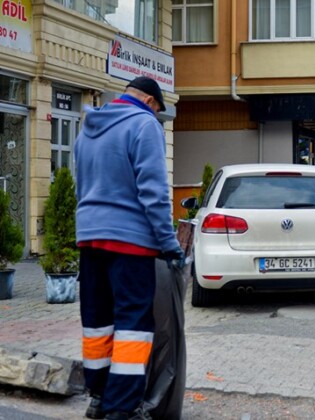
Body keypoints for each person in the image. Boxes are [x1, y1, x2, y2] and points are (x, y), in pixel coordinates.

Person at [75, 76, 184, 419]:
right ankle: (121, 408)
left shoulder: (88, 127)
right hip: (131, 242)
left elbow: (81, 182)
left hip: (90, 238)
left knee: (97, 321)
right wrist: (169, 244)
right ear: (151, 102)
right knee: (133, 325)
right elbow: (153, 192)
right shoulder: (144, 125)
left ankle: (98, 396)